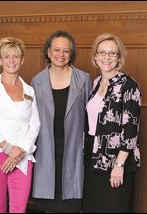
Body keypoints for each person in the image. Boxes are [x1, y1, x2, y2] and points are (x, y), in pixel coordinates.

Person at [0, 37, 40, 213]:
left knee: (19, 208)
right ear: (0, 60)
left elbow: (35, 124)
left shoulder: (29, 90)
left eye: (16, 56)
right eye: (7, 57)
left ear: (22, 60)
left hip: (22, 156)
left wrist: (20, 151)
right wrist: (8, 149)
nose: (11, 61)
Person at [31, 30, 92, 213]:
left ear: (71, 54)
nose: (61, 55)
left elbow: (90, 118)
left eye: (66, 51)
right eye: (56, 50)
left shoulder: (84, 79)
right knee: (48, 203)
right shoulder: (37, 81)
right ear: (48, 52)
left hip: (73, 149)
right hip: (46, 149)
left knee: (70, 203)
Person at [83, 32, 141, 213]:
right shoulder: (96, 82)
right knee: (94, 206)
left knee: (113, 207)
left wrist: (119, 165)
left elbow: (131, 129)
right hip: (94, 155)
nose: (106, 57)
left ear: (119, 58)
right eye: (102, 52)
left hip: (117, 157)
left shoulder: (128, 85)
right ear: (95, 56)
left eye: (112, 53)